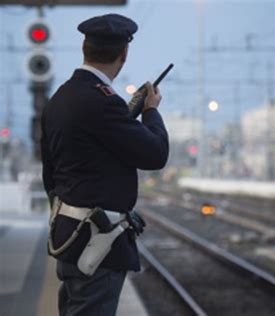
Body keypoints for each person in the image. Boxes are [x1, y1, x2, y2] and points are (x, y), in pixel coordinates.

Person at [41, 13, 169, 315]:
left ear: (85, 47)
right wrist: (150, 112)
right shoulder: (103, 102)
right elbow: (155, 153)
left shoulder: (60, 97)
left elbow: (50, 173)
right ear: (123, 54)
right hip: (97, 241)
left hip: (69, 235)